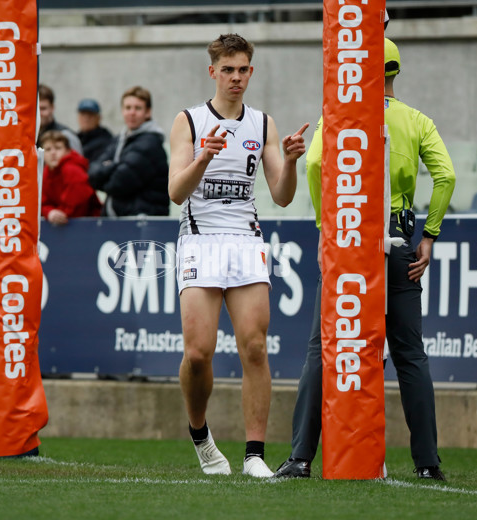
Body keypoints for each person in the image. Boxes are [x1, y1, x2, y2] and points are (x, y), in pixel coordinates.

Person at [274, 38, 455, 481]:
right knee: (410, 355)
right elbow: (446, 176)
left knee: (325, 349)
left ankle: (300, 458)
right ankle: (427, 464)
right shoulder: (417, 121)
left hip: (350, 238)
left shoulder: (340, 118)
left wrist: (325, 227)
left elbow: (316, 165)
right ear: (395, 72)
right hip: (397, 239)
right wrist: (429, 234)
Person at [168, 33, 309, 478]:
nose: (235, 77)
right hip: (200, 239)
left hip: (245, 240)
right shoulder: (188, 121)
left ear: (252, 71)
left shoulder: (261, 122)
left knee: (254, 346)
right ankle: (201, 437)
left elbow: (282, 197)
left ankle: (253, 455)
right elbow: (176, 192)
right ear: (213, 71)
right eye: (227, 70)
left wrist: (289, 163)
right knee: (198, 353)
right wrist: (203, 159)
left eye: (242, 69)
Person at [88, 86, 169, 216]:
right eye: (128, 108)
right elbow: (92, 172)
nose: (132, 112)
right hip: (122, 222)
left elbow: (118, 183)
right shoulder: (120, 139)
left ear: (148, 112)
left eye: (138, 108)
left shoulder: (150, 143)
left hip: (142, 223)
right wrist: (115, 167)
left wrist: (109, 167)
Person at [40, 130, 102, 225]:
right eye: (48, 149)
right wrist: (50, 212)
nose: (53, 153)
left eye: (58, 148)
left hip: (86, 225)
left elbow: (77, 207)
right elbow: (42, 203)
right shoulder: (46, 172)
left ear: (67, 150)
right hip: (65, 224)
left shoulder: (72, 169)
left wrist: (56, 214)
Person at [38, 84, 83, 155]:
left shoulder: (66, 135)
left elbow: (77, 163)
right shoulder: (26, 136)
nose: (39, 114)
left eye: (43, 108)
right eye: (35, 109)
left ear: (52, 108)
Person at [76, 98, 113, 163]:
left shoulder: (106, 140)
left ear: (99, 118)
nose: (86, 119)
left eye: (90, 115)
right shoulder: (76, 138)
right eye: (83, 114)